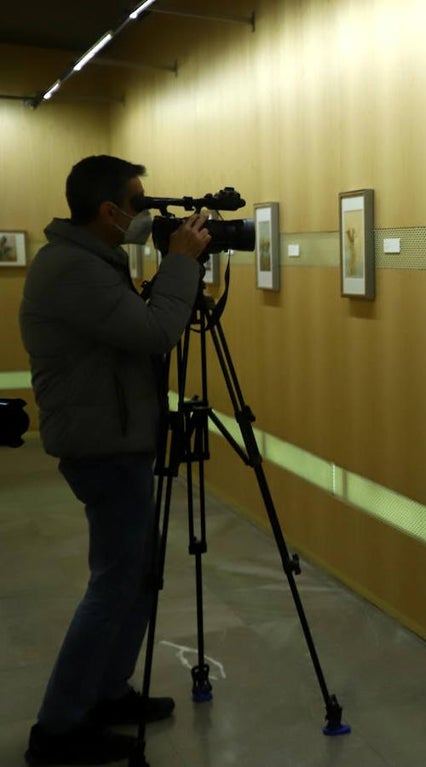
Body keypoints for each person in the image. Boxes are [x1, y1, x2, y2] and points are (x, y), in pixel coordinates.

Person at [18, 155, 211, 765]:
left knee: (137, 573)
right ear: (110, 211)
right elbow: (155, 333)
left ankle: (106, 692)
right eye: (140, 202)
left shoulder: (90, 259)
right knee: (113, 582)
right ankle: (59, 727)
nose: (144, 213)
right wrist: (182, 263)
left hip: (117, 437)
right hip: (103, 446)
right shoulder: (72, 269)